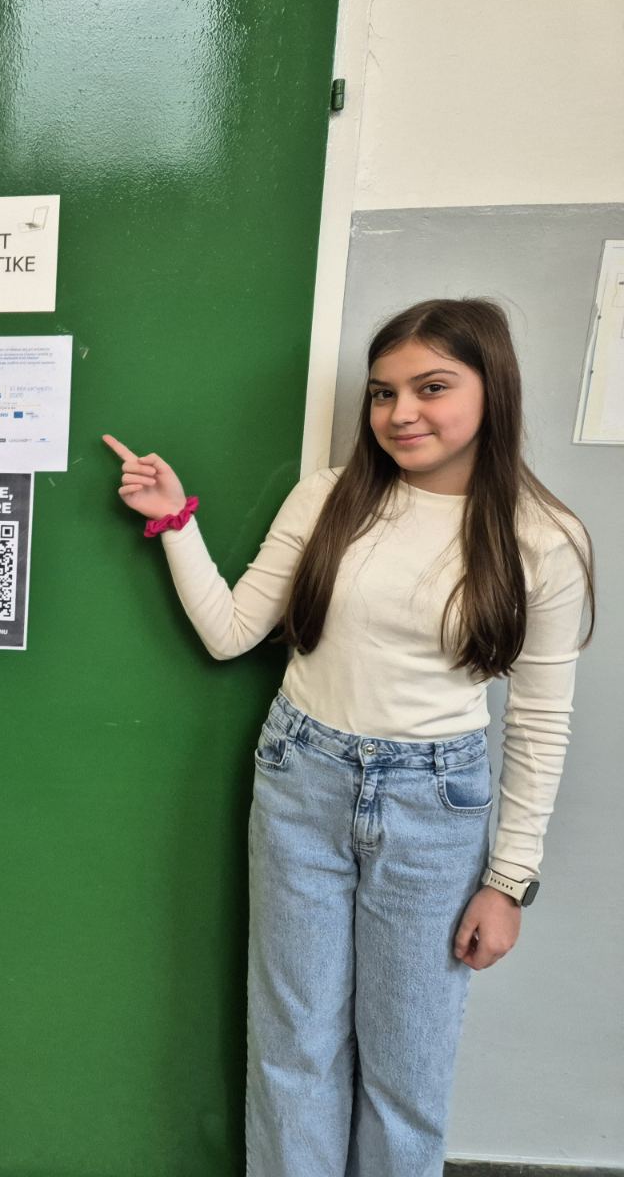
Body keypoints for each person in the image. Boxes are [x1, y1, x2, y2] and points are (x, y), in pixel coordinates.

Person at [102, 298, 594, 1176]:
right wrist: (174, 523)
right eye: (382, 392)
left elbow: (541, 721)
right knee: (293, 1046)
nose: (401, 413)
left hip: (435, 808)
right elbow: (229, 633)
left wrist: (509, 881)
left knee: (408, 1062)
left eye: (432, 387)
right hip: (303, 779)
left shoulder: (544, 539)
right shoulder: (330, 497)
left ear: (494, 389)